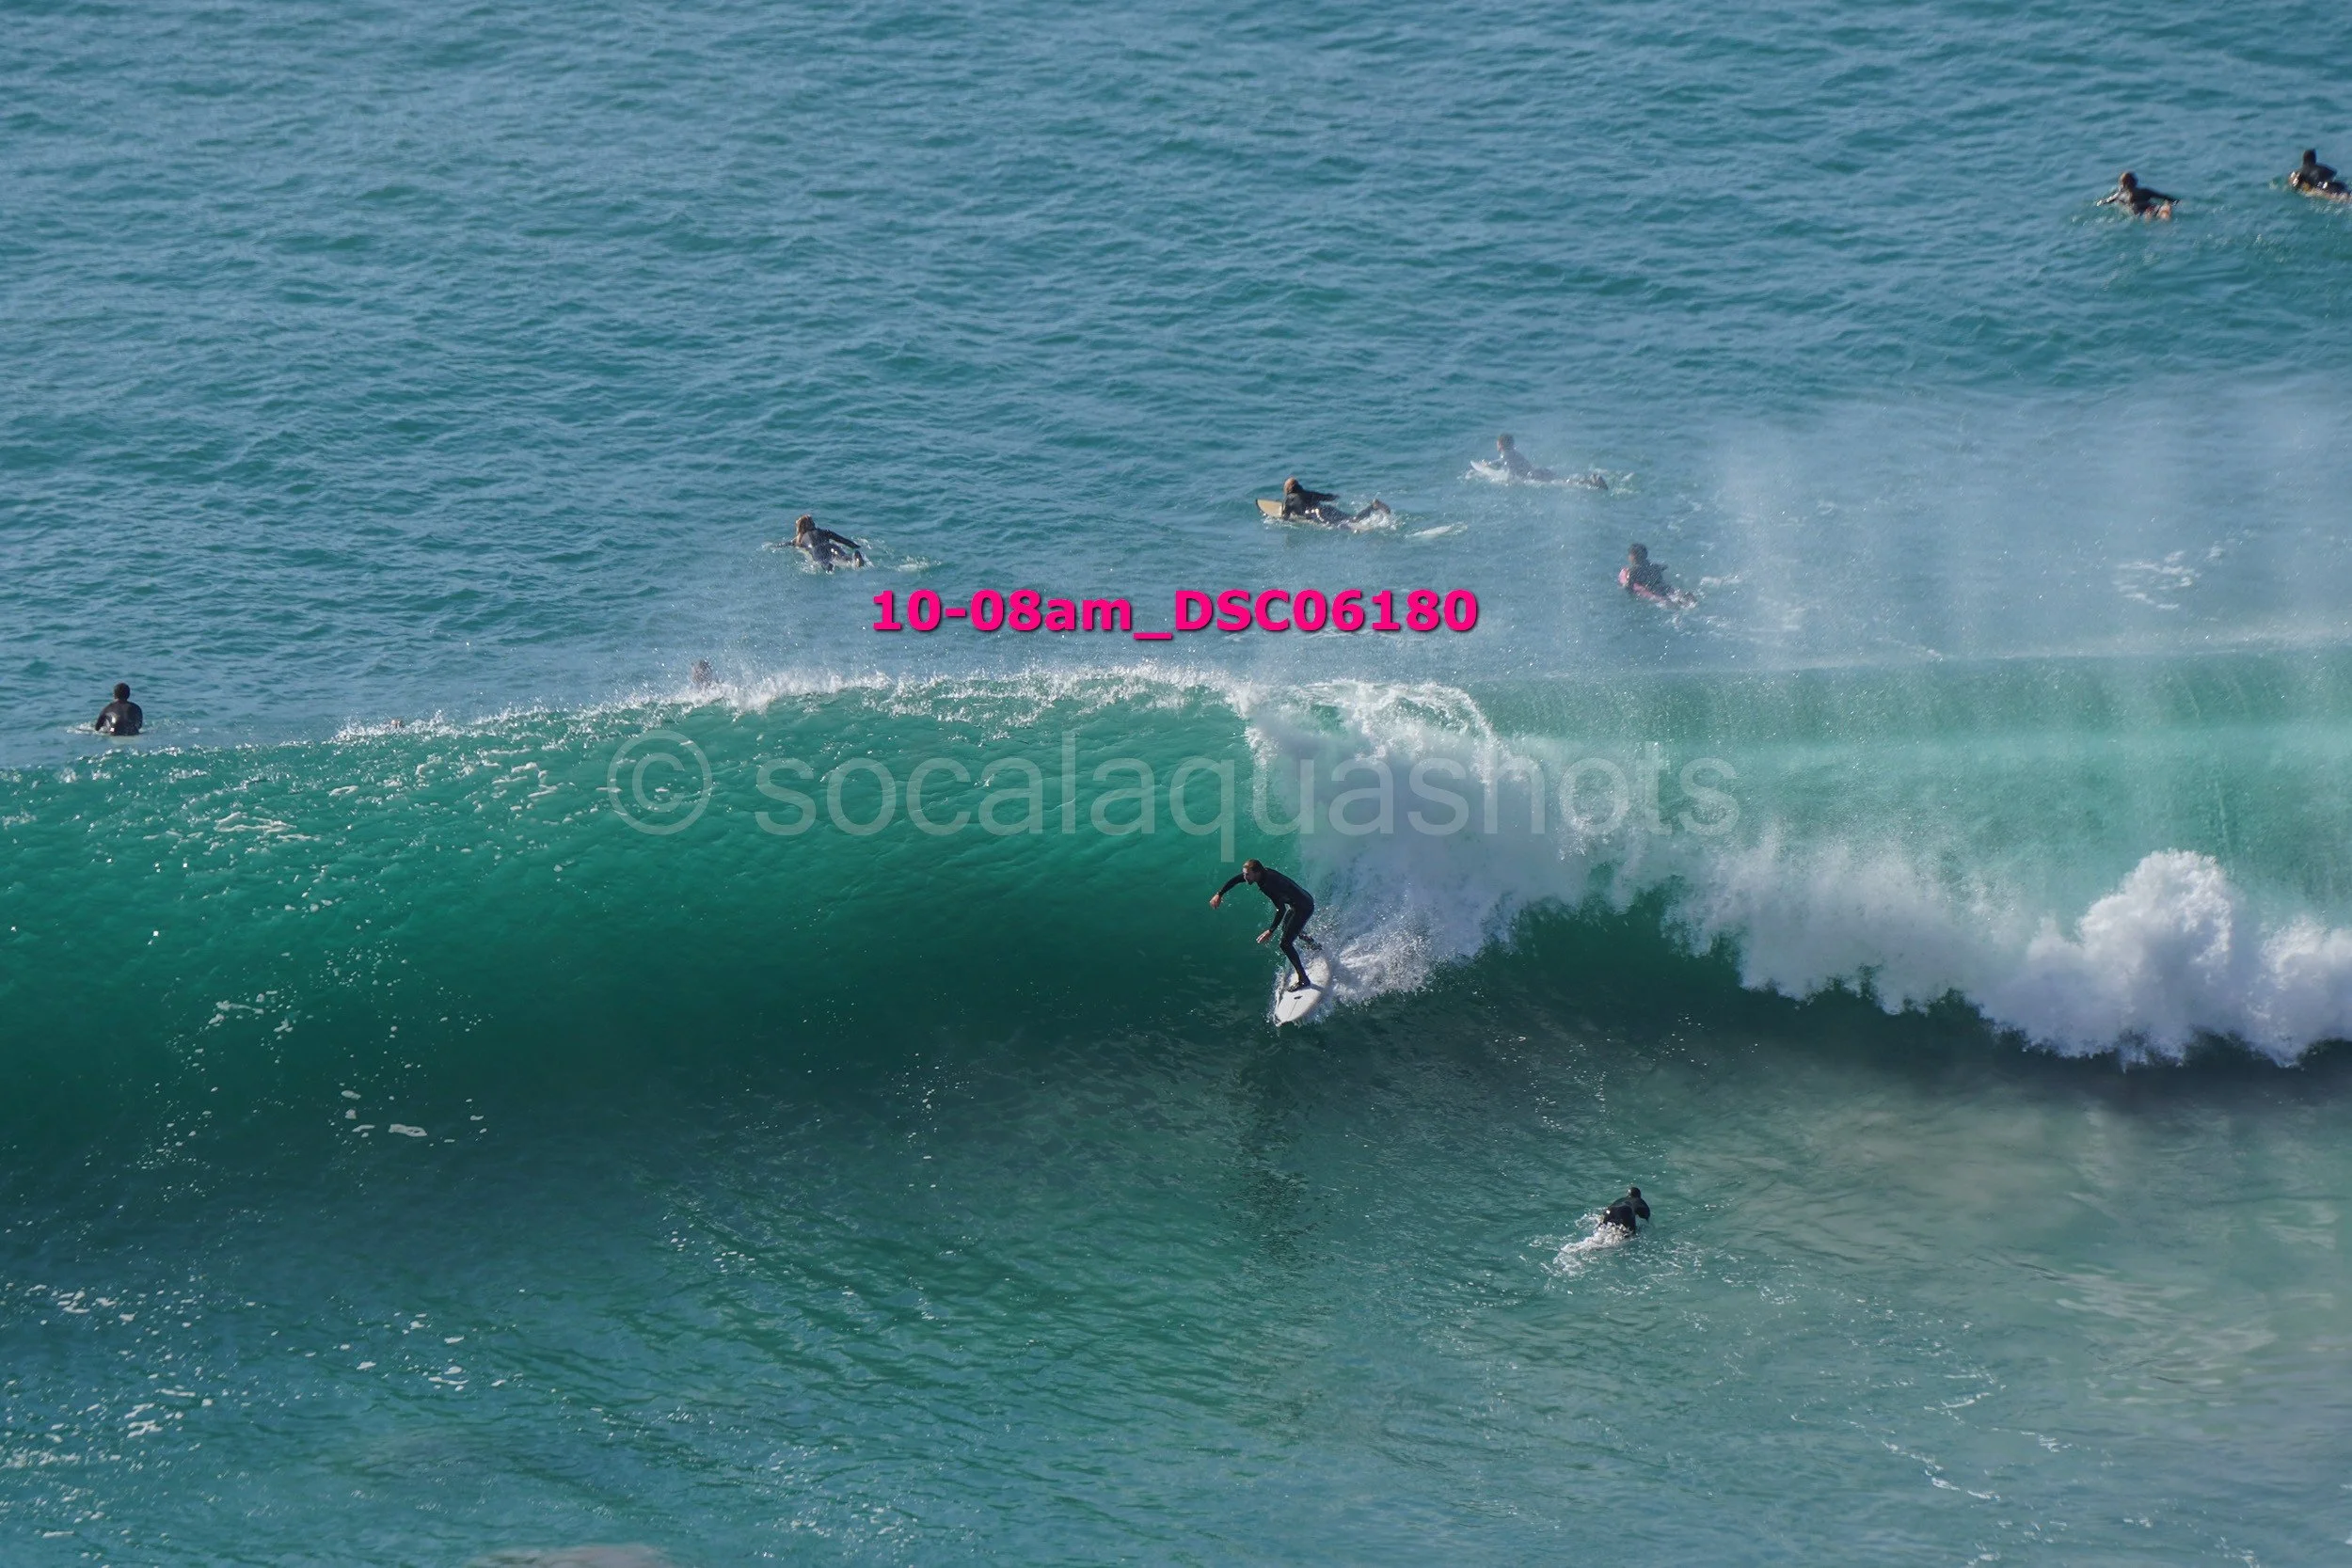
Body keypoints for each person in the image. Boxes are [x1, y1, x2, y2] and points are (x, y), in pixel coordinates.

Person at [1210, 859, 1318, 991]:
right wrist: (1219, 894)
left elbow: (1281, 909)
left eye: (1247, 875)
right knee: (1287, 928)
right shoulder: (1261, 875)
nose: (1244, 877)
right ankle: (1312, 944)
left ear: (1257, 873)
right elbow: (1237, 879)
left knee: (1285, 944)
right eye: (1245, 874)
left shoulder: (1270, 884)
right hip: (1301, 901)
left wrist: (1270, 931)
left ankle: (1303, 980)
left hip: (1303, 907)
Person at [1280, 477, 1391, 527]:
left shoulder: (1289, 499)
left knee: (1343, 525)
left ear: (1287, 489)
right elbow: (1327, 497)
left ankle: (1373, 506)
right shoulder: (1308, 493)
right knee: (1351, 519)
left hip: (1317, 514)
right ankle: (1373, 507)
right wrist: (1336, 496)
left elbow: (1285, 517)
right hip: (1326, 509)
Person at [791, 514, 866, 569]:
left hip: (816, 550)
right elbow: (843, 540)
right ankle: (856, 559)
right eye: (812, 522)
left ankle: (828, 566)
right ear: (811, 524)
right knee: (844, 557)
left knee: (822, 561)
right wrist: (856, 546)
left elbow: (787, 544)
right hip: (831, 546)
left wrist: (779, 546)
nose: (814, 524)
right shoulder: (824, 532)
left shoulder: (799, 540)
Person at [2096, 171, 2176, 219]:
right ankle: (2163, 214)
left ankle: (2150, 215)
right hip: (2149, 205)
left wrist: (2100, 202)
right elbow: (2165, 197)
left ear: (2122, 185)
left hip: (2137, 210)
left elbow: (2105, 202)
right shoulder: (2145, 191)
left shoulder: (2119, 195)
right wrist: (2176, 202)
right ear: (2135, 181)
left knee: (2146, 214)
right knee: (2161, 209)